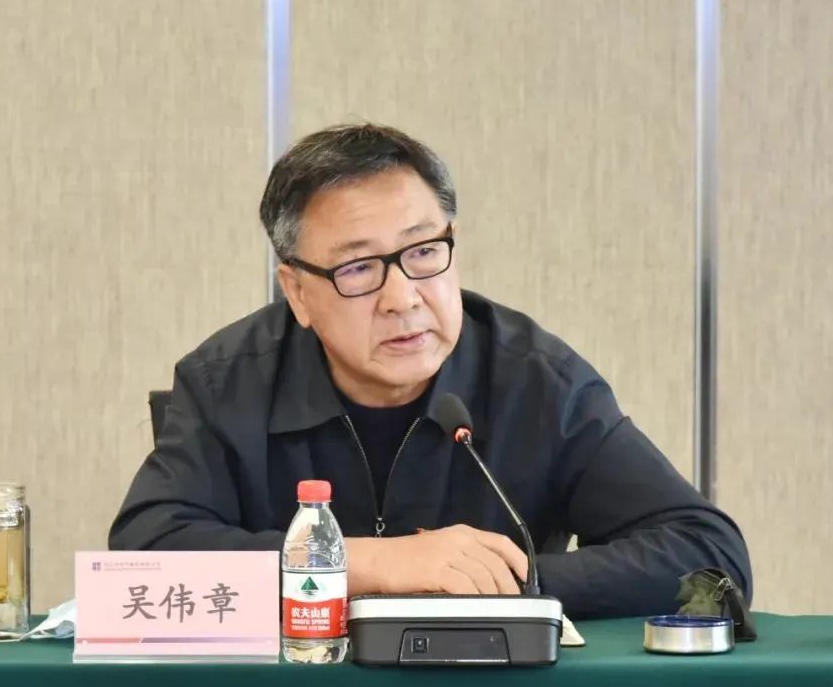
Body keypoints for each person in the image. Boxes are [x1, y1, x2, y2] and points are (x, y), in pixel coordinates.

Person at [109, 123, 752, 619]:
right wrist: (375, 564)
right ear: (297, 292)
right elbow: (144, 557)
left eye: (422, 251)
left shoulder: (535, 380)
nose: (403, 298)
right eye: (358, 268)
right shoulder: (227, 383)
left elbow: (709, 554)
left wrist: (494, 580)